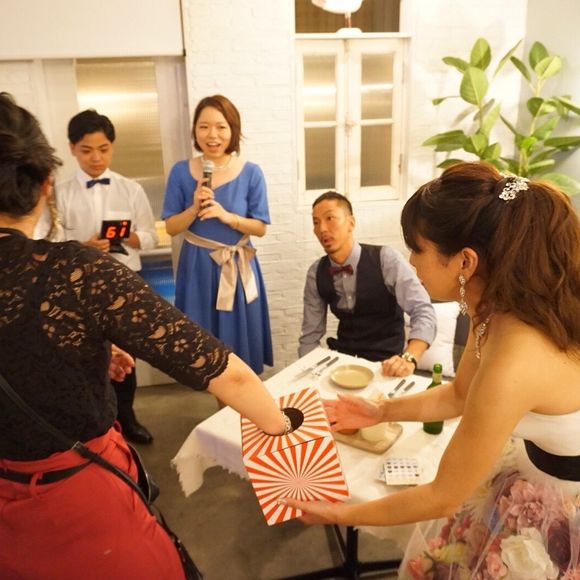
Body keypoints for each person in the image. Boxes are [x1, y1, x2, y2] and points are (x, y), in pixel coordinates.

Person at [0, 93, 287, 579]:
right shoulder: (76, 270)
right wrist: (283, 425)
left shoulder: (245, 173)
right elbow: (221, 370)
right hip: (78, 496)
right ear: (47, 182)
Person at [284, 162, 580, 578]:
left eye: (417, 249)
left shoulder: (513, 362)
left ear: (465, 262)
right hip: (531, 469)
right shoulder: (493, 311)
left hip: (563, 503)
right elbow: (459, 394)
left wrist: (336, 512)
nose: (410, 261)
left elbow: (443, 496)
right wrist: (380, 411)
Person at [56, 109, 158, 444]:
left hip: (124, 284)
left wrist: (128, 237)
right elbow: (48, 242)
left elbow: (151, 237)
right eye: (87, 150)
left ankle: (128, 419)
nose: (96, 158)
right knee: (85, 357)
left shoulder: (131, 189)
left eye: (103, 149)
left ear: (112, 147)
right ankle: (94, 426)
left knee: (125, 358)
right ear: (72, 148)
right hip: (77, 289)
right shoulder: (58, 193)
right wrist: (81, 247)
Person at [162, 95, 273, 376]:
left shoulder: (251, 172)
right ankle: (219, 399)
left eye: (221, 127)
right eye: (204, 126)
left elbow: (260, 227)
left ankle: (238, 399)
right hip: (197, 267)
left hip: (238, 264)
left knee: (240, 350)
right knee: (204, 345)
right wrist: (194, 208)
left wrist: (227, 217)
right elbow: (172, 227)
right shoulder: (180, 171)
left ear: (233, 130)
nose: (212, 135)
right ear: (195, 131)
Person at [299, 191, 437, 377]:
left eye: (330, 218)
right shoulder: (315, 272)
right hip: (344, 363)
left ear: (351, 223)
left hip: (387, 363)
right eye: (316, 222)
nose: (322, 228)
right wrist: (307, 373)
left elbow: (423, 310)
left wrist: (409, 358)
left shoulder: (386, 259)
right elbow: (310, 336)